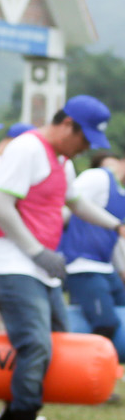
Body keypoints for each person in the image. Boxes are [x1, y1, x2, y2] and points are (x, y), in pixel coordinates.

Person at [0, 97, 119, 420]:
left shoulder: (62, 161)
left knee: (56, 337)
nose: (86, 149)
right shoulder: (27, 149)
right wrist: (36, 251)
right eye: (84, 139)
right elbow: (0, 206)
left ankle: (13, 419)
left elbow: (76, 203)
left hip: (39, 268)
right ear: (67, 124)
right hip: (11, 265)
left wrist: (116, 225)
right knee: (36, 344)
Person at [59, 151, 125, 362]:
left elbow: (115, 238)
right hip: (82, 265)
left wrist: (121, 270)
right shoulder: (98, 176)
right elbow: (66, 205)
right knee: (105, 323)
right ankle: (87, 369)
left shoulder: (122, 195)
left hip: (106, 268)